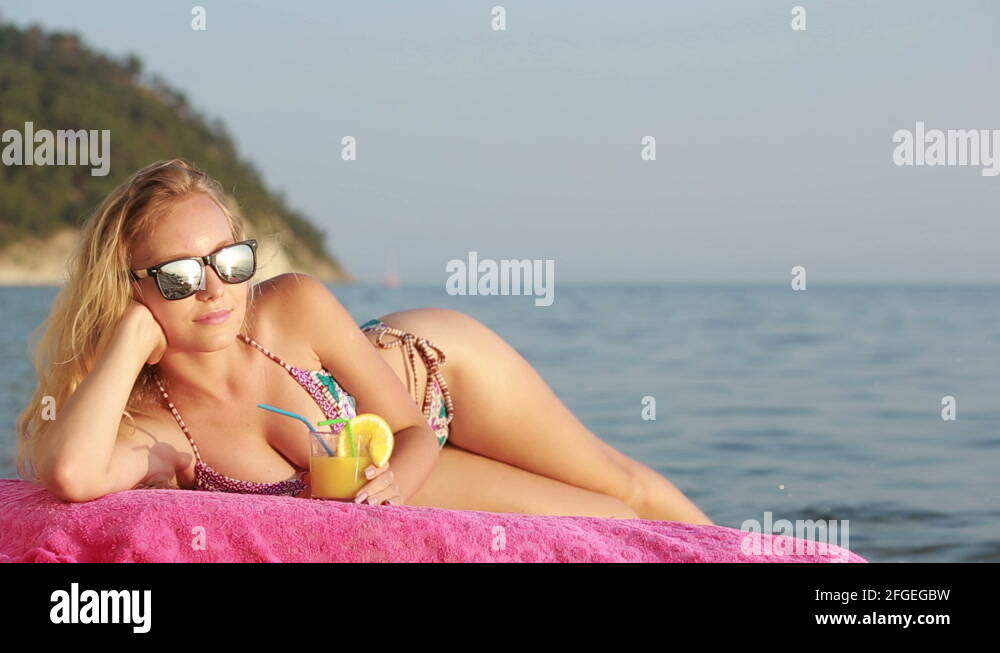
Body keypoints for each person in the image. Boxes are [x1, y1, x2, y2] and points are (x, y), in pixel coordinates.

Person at [16, 158, 713, 524]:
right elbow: (73, 473)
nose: (214, 289)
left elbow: (409, 428)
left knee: (621, 484)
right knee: (605, 520)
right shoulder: (150, 426)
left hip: (433, 378)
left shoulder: (291, 304)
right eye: (175, 277)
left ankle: (759, 558)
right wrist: (132, 335)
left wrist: (396, 487)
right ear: (130, 286)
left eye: (229, 261)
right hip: (383, 465)